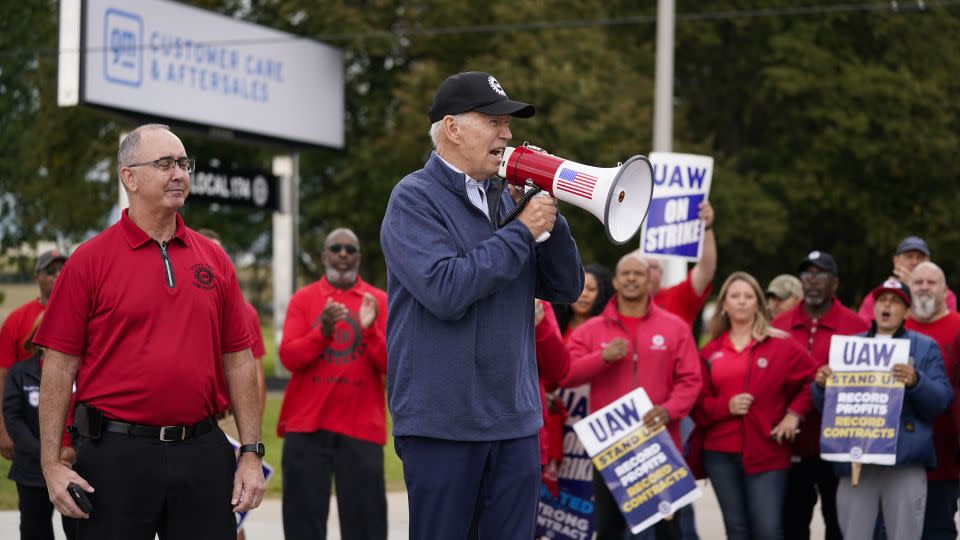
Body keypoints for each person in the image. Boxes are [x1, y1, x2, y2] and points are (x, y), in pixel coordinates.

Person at [32, 123, 265, 539]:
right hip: (114, 456)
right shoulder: (88, 261)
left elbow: (240, 360)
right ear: (130, 177)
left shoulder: (215, 259)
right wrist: (51, 463)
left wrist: (249, 453)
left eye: (182, 163)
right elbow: (58, 366)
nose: (179, 173)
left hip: (201, 450)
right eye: (164, 163)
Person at [380, 71, 583, 540]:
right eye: (494, 121)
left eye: (507, 124)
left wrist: (547, 208)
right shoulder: (413, 198)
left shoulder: (508, 198)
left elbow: (566, 286)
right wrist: (521, 230)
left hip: (513, 419)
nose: (507, 135)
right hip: (442, 423)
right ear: (453, 129)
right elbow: (446, 289)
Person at [563, 254, 701, 540]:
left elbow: (691, 379)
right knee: (610, 529)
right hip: (611, 450)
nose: (631, 278)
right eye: (625, 273)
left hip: (660, 444)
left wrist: (669, 410)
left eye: (638, 273)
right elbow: (566, 373)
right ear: (614, 282)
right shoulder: (592, 330)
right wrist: (601, 357)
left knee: (668, 531)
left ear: (649, 280)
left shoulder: (675, 327)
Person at [812, 279, 953, 540]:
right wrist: (821, 386)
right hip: (856, 463)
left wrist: (916, 381)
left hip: (904, 461)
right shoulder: (848, 347)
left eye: (895, 301)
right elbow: (826, 407)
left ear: (907, 312)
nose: (887, 305)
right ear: (874, 307)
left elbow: (941, 400)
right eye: (882, 300)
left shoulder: (924, 347)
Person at [277, 227, 389, 540]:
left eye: (350, 249)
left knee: (366, 526)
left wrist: (370, 331)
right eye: (336, 248)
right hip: (307, 429)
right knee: (303, 525)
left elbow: (392, 364)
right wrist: (321, 333)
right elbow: (289, 358)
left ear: (358, 257)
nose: (343, 254)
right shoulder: (304, 299)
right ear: (324, 255)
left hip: (361, 430)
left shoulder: (377, 301)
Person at [691, 272, 817, 540]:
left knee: (768, 531)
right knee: (736, 530)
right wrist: (727, 406)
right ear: (723, 304)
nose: (741, 302)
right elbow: (698, 407)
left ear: (759, 303)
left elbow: (812, 380)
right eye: (734, 296)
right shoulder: (710, 351)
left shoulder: (781, 345)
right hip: (720, 454)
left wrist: (794, 415)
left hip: (768, 452)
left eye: (748, 296)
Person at [772, 250, 870, 540]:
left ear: (835, 283)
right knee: (792, 526)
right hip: (791, 447)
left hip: (839, 448)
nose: (813, 281)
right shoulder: (779, 326)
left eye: (821, 275)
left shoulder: (857, 327)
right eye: (807, 274)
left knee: (839, 526)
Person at [4, 313, 77, 540]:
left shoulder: (83, 372)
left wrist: (75, 453)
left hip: (78, 470)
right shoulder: (20, 373)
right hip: (32, 471)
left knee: (81, 532)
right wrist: (48, 454)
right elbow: (13, 418)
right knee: (35, 531)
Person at [903, 262, 960, 539]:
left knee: (938, 529)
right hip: (899, 455)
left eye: (931, 282)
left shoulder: (958, 326)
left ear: (945, 290)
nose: (924, 287)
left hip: (945, 453)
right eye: (918, 282)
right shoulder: (894, 329)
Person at [0, 249, 67, 460]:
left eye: (62, 269)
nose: (57, 274)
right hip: (28, 425)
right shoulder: (17, 319)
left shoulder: (83, 315)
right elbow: (2, 376)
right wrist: (3, 431)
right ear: (37, 276)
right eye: (50, 270)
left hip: (71, 428)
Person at [643, 201, 717, 327]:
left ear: (661, 273)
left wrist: (706, 227)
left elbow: (706, 269)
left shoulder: (677, 297)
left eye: (653, 267)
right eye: (642, 267)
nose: (647, 272)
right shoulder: (618, 303)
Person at [857, 236, 957, 322]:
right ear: (896, 261)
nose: (914, 262)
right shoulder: (879, 295)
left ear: (928, 262)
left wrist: (910, 288)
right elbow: (867, 328)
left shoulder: (943, 294)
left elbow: (944, 325)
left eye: (920, 257)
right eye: (909, 256)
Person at [554, 263, 615, 339]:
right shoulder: (555, 325)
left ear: (602, 294)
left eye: (591, 289)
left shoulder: (609, 328)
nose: (584, 294)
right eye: (578, 288)